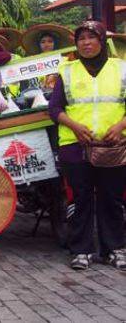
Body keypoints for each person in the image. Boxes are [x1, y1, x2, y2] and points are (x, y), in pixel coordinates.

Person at [48, 20, 126, 271]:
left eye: (92, 38)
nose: (86, 43)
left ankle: (113, 248)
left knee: (111, 198)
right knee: (80, 199)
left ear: (102, 42)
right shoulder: (67, 70)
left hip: (112, 146)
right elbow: (55, 108)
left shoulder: (121, 68)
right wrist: (74, 126)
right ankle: (81, 250)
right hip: (75, 145)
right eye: (81, 39)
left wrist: (120, 127)